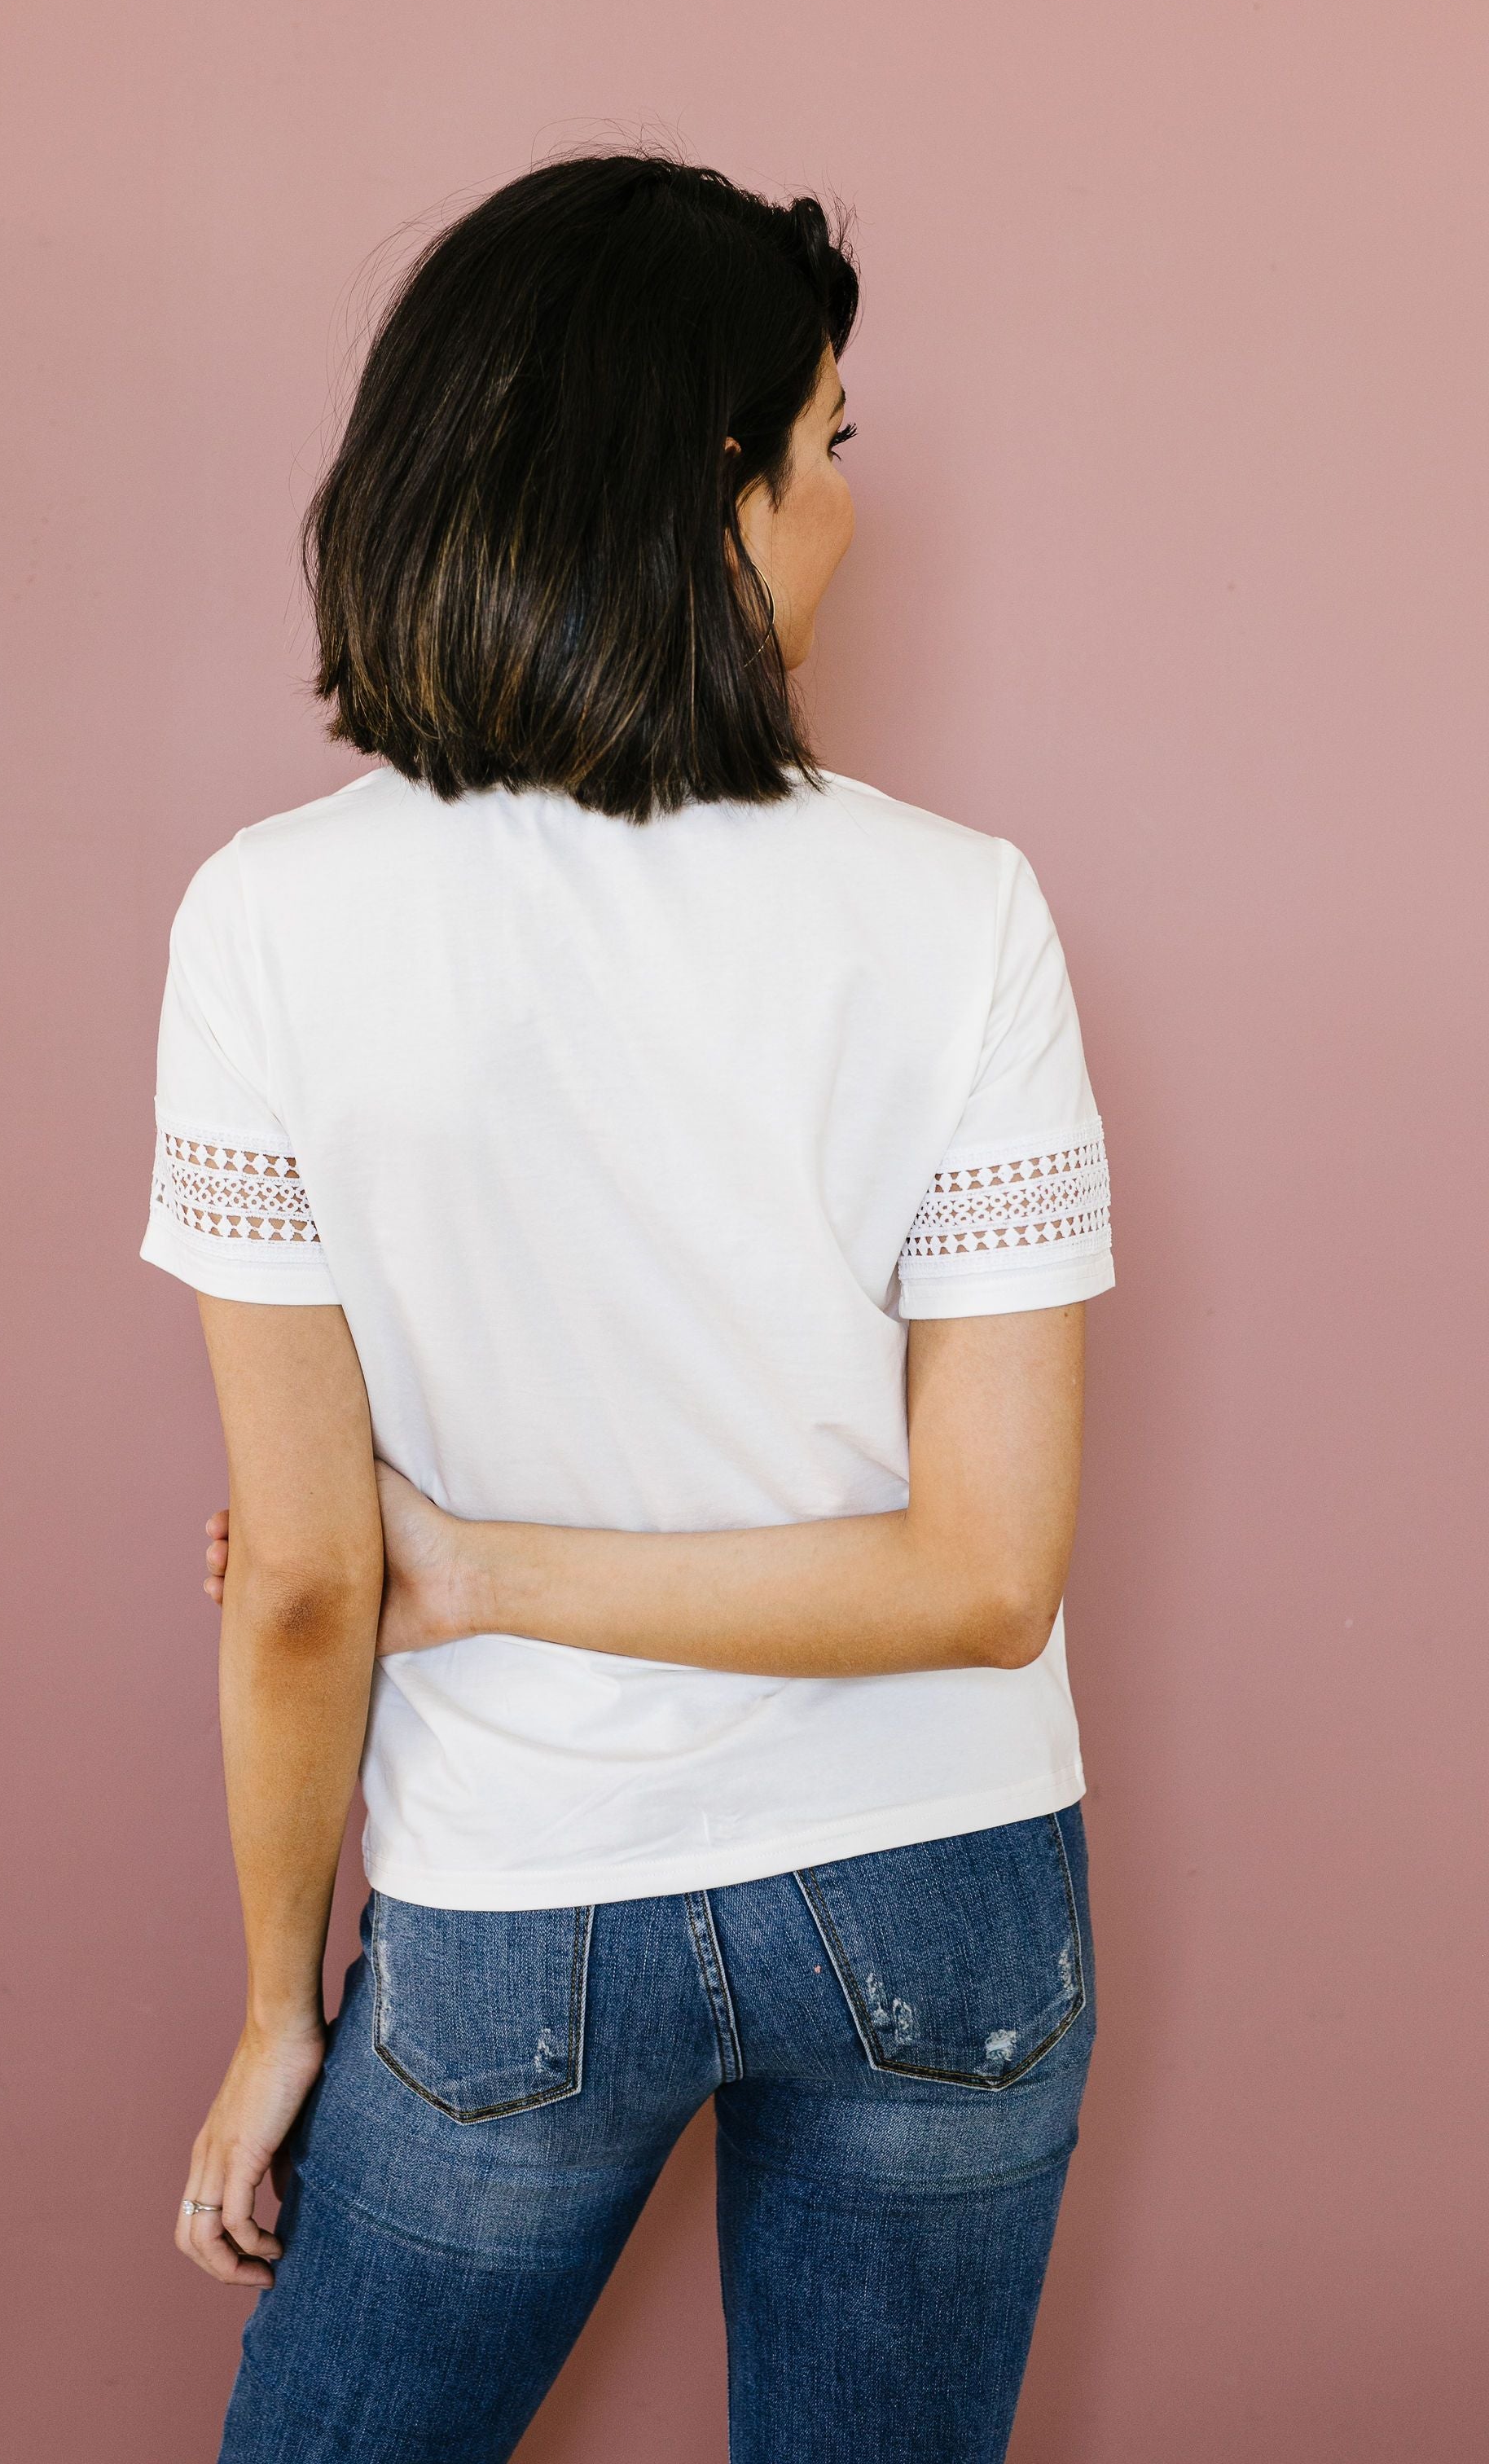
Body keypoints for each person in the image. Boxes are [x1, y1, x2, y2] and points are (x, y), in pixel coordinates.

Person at [143, 152, 1113, 2464]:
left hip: (517, 1909)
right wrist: (445, 1574)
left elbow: (302, 1581)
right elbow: (987, 1577)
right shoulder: (956, 912)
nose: (847, 507)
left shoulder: (272, 923)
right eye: (833, 443)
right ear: (719, 481)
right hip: (944, 1886)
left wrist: (283, 2004)